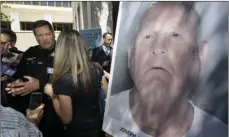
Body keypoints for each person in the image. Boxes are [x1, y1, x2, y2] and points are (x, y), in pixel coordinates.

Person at [106, 2, 228, 137]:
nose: (158, 48)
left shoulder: (218, 132)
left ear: (199, 56)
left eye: (175, 35)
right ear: (131, 57)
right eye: (148, 36)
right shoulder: (110, 112)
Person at [5, 20, 65, 137]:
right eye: (40, 35)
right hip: (33, 109)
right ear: (35, 37)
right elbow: (20, 75)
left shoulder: (65, 51)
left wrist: (40, 84)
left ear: (53, 33)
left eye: (47, 34)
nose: (45, 38)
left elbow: (72, 80)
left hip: (57, 108)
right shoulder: (30, 52)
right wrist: (17, 83)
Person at [44, 30, 105, 137]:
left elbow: (66, 119)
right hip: (98, 128)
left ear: (61, 50)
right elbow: (107, 93)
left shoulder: (63, 81)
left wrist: (52, 95)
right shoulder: (96, 68)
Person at [1, 29, 23, 106]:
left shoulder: (22, 57)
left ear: (12, 44)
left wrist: (6, 56)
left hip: (13, 105)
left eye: (2, 43)